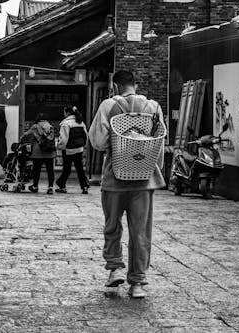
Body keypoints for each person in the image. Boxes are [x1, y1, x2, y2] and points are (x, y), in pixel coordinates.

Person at [88, 70, 165, 299]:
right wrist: (152, 168)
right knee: (141, 232)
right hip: (144, 179)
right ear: (136, 85)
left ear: (115, 86)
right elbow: (159, 144)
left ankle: (114, 269)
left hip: (115, 177)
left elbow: (99, 142)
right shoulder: (153, 107)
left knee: (112, 226)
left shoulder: (108, 106)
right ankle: (138, 283)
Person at [55, 106, 89, 194]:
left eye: (64, 112)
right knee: (80, 169)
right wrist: (83, 146)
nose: (63, 114)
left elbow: (63, 139)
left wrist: (59, 146)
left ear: (67, 113)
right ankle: (84, 186)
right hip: (79, 149)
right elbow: (85, 136)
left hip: (68, 150)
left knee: (67, 169)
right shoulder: (80, 122)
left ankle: (61, 185)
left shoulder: (65, 123)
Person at [23, 113, 56, 194]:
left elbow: (26, 135)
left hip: (37, 152)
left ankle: (35, 186)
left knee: (36, 170)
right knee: (50, 170)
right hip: (49, 152)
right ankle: (50, 187)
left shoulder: (35, 127)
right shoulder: (50, 126)